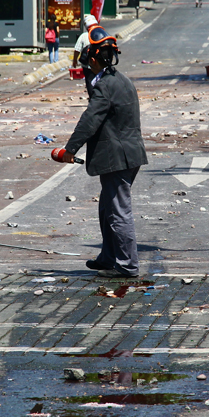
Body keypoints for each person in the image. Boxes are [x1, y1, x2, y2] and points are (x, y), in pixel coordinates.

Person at [60, 26, 147, 278]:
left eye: (89, 60)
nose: (87, 65)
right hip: (128, 154)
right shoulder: (121, 80)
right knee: (106, 207)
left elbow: (90, 119)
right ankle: (109, 257)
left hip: (118, 157)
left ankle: (127, 264)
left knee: (118, 210)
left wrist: (70, 149)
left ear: (95, 58)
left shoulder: (105, 86)